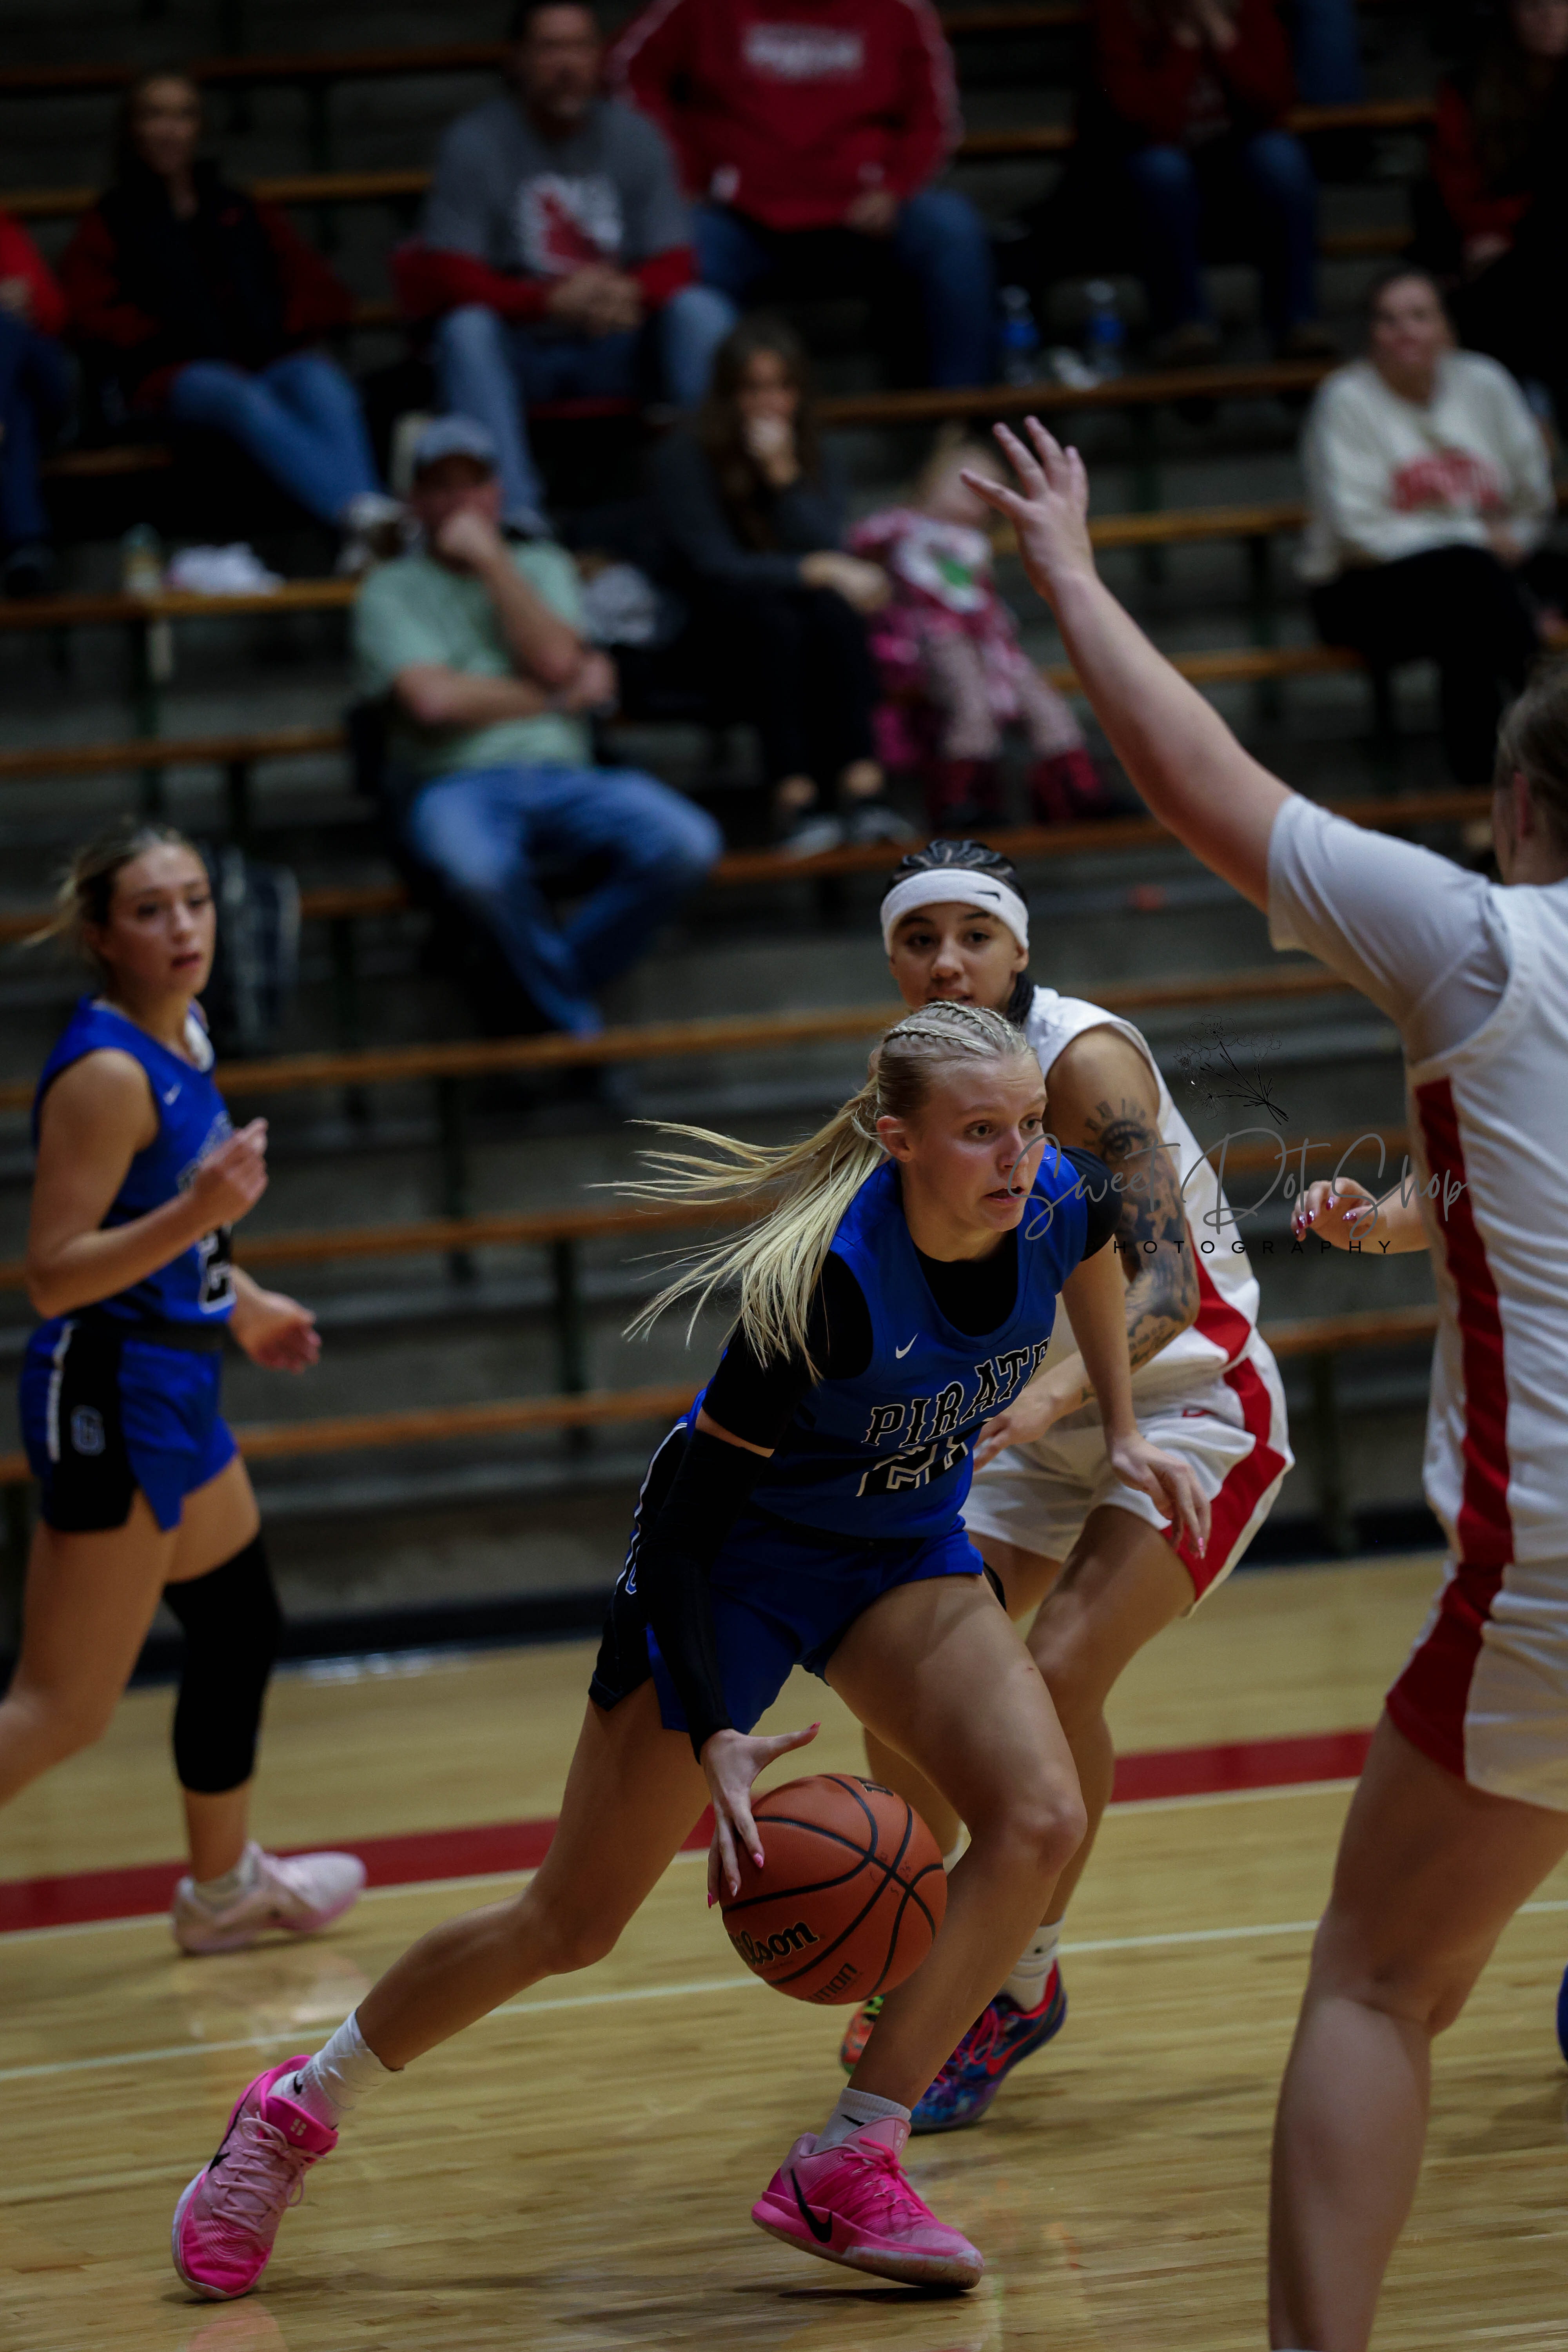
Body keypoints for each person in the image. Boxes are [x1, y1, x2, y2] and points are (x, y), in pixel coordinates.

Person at [168, 997, 1210, 2302]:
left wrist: (1120, 1427)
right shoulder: (824, 1290)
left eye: (1028, 1125)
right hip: (734, 1569)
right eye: (980, 1133)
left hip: (897, 1551)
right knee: (570, 1921)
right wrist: (716, 1724)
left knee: (1041, 1816)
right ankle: (291, 2115)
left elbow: (1098, 1254)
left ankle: (850, 2156)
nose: (1018, 1157)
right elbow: (681, 1533)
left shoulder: (1054, 1194)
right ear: (898, 1142)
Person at [966, 407, 1568, 2352]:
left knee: (1375, 1985)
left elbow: (1198, 779)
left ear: (1519, 810)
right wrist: (1412, 1221)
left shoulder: (1491, 944)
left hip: (1552, 1579)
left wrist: (1067, 571)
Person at [835, 835, 1291, 2127]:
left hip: (1189, 1402)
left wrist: (1051, 1395)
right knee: (905, 1678)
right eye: (919, 939)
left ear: (1019, 948)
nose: (946, 961)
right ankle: (931, 1927)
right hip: (1027, 1421)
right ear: (892, 961)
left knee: (1056, 1675)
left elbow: (1169, 1286)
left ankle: (1016, 1979)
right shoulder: (909, 1085)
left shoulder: (1082, 1060)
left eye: (972, 935)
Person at [7, 820, 365, 1955]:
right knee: (61, 1711)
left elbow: (171, 1231)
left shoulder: (187, 1034)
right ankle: (221, 1888)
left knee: (237, 1621)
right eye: (151, 910)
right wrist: (200, 1213)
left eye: (196, 901)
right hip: (109, 1390)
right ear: (101, 937)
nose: (183, 927)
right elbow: (54, 1274)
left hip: (175, 1381)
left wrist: (240, 1301)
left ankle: (222, 1891)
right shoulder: (109, 1075)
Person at [355, 414, 719, 1037]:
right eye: (441, 486)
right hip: (455, 781)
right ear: (416, 501)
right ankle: (573, 1024)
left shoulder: (542, 565)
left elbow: (555, 660)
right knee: (478, 875)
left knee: (688, 844)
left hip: (566, 774)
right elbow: (434, 703)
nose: (460, 502)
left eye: (473, 485)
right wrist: (555, 699)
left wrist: (493, 562)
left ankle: (527, 996)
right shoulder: (388, 589)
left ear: (497, 494)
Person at [396, 1, 732, 538]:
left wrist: (628, 292)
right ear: (517, 60)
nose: (567, 64)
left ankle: (726, 502)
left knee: (701, 311)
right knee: (466, 330)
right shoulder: (476, 142)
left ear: (599, 56)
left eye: (580, 46)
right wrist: (547, 302)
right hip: (523, 350)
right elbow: (449, 274)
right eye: (550, 48)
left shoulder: (637, 136)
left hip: (618, 341)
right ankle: (516, 523)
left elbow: (677, 259)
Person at [57, 71, 399, 573]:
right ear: (132, 128)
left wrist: (283, 323)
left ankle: (366, 528)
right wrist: (159, 336)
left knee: (320, 381)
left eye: (183, 115)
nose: (170, 130)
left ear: (200, 127)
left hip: (265, 361)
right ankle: (369, 517)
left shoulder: (238, 208)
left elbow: (321, 290)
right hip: (170, 379)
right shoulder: (111, 219)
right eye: (155, 115)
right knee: (234, 393)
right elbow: (86, 314)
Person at [610, 0, 994, 390]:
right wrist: (680, 172)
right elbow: (626, 70)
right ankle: (715, 421)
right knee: (670, 254)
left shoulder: (900, 9)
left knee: (950, 225)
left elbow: (932, 119)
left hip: (863, 223)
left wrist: (895, 187)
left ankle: (961, 413)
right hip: (738, 219)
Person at [650, 315, 907, 853]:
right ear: (727, 395)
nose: (769, 404)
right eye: (753, 389)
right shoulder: (684, 455)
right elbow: (712, 566)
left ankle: (866, 791)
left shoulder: (812, 452)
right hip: (711, 627)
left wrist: (783, 476)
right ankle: (795, 801)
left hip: (804, 623)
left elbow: (826, 543)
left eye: (782, 387)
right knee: (777, 619)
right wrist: (815, 570)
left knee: (832, 612)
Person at [1301, 268, 1564, 788]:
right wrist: (1476, 537)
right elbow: (1357, 531)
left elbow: (1533, 498)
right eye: (1388, 320)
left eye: (1420, 317)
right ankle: (1548, 748)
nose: (1405, 332)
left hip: (1484, 582)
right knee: (1469, 583)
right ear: (1370, 335)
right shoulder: (1344, 400)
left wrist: (1504, 542)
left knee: (1467, 620)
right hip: (1362, 589)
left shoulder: (1485, 382)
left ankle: (1488, 798)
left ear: (1447, 329)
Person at [848, 435, 1108, 831]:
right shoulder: (903, 526)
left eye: (985, 492)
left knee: (1046, 704)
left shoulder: (975, 544)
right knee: (972, 705)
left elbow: (977, 599)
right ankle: (963, 799)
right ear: (930, 481)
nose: (970, 499)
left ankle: (1074, 792)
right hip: (933, 639)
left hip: (988, 642)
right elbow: (858, 542)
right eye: (962, 484)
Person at [1086, 0, 1335, 366]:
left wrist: (1223, 36)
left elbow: (1274, 103)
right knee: (1162, 170)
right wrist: (1184, 47)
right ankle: (1185, 327)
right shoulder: (1118, 12)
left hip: (1234, 172)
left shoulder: (1247, 8)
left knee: (1282, 158)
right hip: (1148, 181)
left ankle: (1298, 322)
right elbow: (1146, 122)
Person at [1420, 0, 1568, 412]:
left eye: (1561, 4)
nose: (1550, 16)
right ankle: (1527, 418)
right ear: (1511, 13)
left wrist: (1517, 228)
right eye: (1534, 5)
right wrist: (1500, 232)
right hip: (1502, 264)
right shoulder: (1469, 87)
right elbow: (1457, 184)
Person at [0, 205, 71, 597]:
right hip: (16, 400)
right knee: (16, 409)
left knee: (4, 327)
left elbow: (54, 312)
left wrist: (21, 301)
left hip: (41, 377)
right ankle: (27, 548)